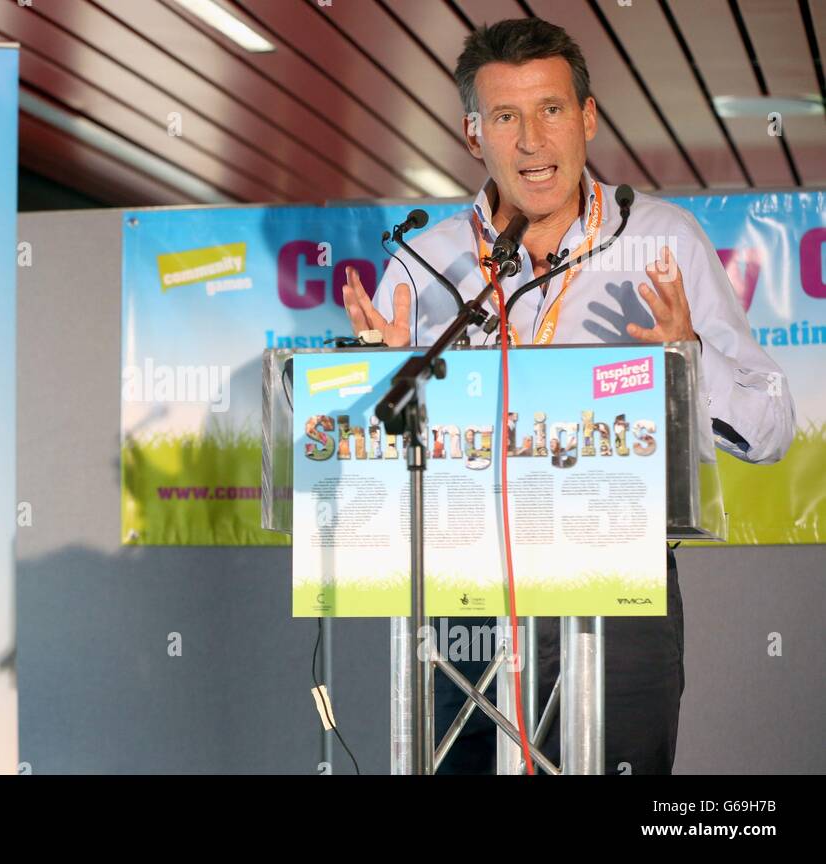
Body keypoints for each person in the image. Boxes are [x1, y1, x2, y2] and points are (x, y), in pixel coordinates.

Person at [341, 17, 795, 774]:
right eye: (506, 117)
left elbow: (773, 425)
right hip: (464, 588)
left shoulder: (664, 240)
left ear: (586, 117)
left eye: (551, 110)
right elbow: (366, 458)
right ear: (472, 132)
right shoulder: (425, 262)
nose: (530, 141)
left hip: (620, 585)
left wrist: (688, 361)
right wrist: (375, 378)